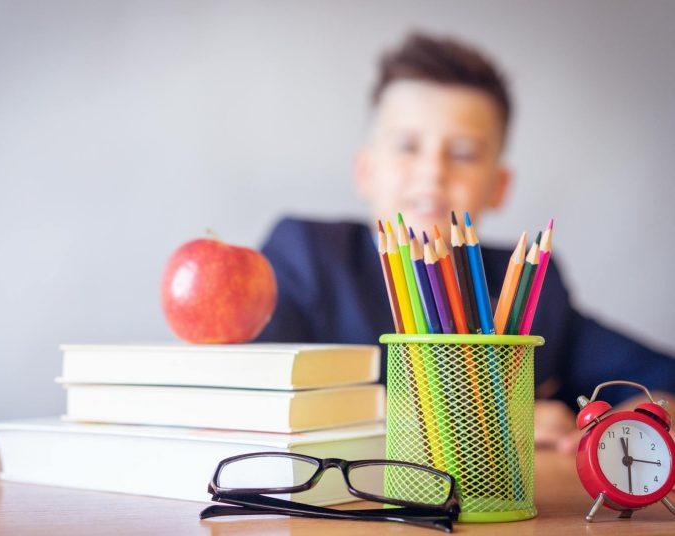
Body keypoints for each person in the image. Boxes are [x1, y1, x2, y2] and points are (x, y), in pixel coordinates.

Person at [256, 32, 675, 453]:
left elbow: (660, 380)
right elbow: (253, 390)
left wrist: (635, 424)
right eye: (407, 146)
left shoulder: (531, 285)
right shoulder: (306, 254)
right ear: (365, 171)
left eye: (463, 154)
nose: (433, 172)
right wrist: (483, 424)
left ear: (499, 186)